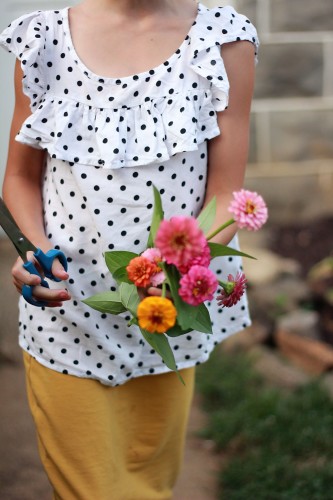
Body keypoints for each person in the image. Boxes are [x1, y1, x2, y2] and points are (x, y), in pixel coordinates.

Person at [0, 0, 258, 498]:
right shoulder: (42, 39)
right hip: (68, 315)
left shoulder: (223, 39)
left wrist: (180, 269)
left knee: (147, 481)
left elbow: (226, 193)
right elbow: (19, 177)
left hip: (167, 316)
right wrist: (32, 249)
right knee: (87, 487)